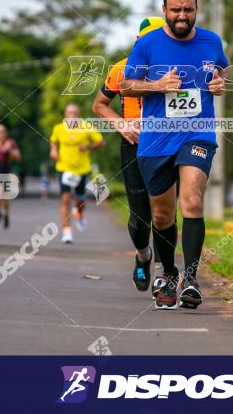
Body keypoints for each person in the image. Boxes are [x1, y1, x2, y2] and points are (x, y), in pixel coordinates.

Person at [119, 0, 228, 310]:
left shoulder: (212, 41)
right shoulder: (148, 44)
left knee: (192, 201)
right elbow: (126, 86)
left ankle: (191, 279)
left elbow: (222, 69)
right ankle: (167, 272)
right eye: (176, 10)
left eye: (189, 10)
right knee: (162, 215)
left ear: (197, 9)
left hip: (197, 135)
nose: (183, 16)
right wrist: (158, 85)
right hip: (156, 141)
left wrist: (220, 82)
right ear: (164, 10)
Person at [92, 17, 165, 291]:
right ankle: (143, 256)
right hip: (133, 144)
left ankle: (162, 270)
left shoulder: (172, 70)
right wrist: (121, 124)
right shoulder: (122, 69)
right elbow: (99, 105)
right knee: (139, 217)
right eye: (142, 42)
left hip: (166, 144)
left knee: (163, 212)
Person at [50, 103, 104, 244]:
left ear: (78, 115)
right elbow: (53, 141)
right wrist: (54, 151)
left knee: (80, 199)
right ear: (65, 115)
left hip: (81, 170)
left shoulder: (86, 127)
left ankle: (79, 213)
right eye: (69, 112)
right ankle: (67, 231)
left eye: (75, 113)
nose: (72, 115)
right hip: (63, 168)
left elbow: (100, 142)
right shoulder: (58, 128)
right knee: (65, 199)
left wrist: (88, 146)